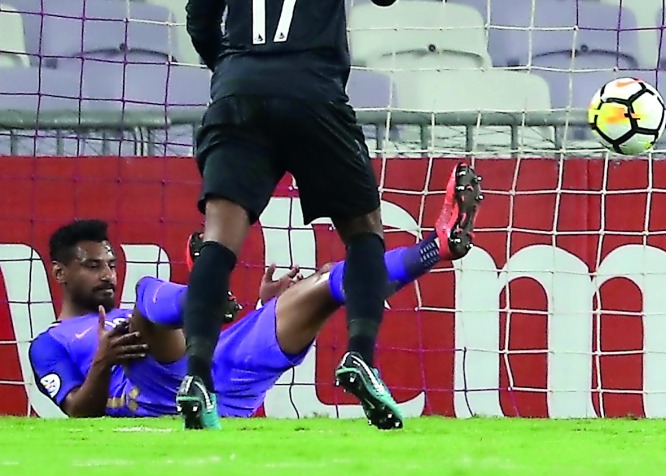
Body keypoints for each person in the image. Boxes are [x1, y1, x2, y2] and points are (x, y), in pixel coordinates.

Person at [183, 0, 405, 429]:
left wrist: (235, 74)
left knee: (220, 239)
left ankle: (198, 378)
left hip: (237, 91)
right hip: (312, 92)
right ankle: (360, 357)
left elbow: (201, 21)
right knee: (362, 232)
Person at [29, 167, 480, 421]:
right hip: (164, 389)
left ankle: (435, 246)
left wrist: (264, 306)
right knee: (149, 292)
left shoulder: (127, 311)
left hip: (226, 371)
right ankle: (201, 292)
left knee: (325, 284)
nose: (107, 274)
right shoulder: (50, 343)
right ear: (59, 272)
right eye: (92, 266)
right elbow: (77, 412)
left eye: (110, 264)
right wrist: (104, 363)